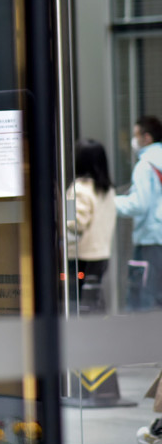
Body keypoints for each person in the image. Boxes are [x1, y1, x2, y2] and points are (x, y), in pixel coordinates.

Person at [116, 116, 162, 311]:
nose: (133, 141)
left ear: (147, 137)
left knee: (143, 300)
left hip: (149, 240)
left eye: (135, 135)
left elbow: (139, 204)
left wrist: (111, 203)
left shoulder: (145, 166)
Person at [67, 139, 116, 308]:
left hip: (81, 256)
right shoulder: (108, 189)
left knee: (79, 303)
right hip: (102, 253)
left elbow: (73, 223)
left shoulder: (77, 189)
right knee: (94, 298)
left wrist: (65, 215)